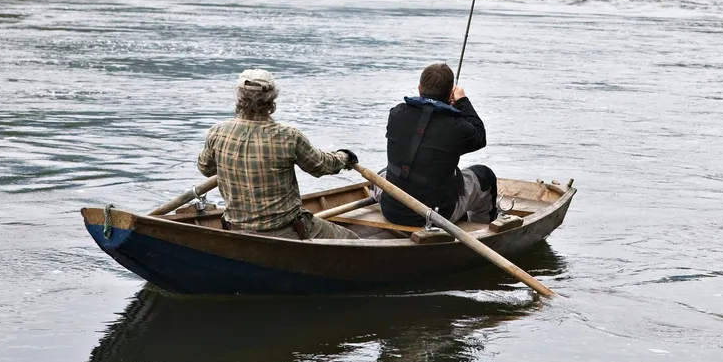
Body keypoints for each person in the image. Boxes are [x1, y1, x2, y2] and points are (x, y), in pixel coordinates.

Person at [197, 69, 360, 240]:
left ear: (239, 97)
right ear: (272, 99)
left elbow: (205, 169)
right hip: (284, 229)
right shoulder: (288, 136)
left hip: (235, 226)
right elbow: (321, 166)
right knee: (353, 240)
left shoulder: (217, 133)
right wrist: (344, 157)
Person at [371, 63, 499, 227]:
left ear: (419, 88)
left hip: (391, 210)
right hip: (438, 215)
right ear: (450, 93)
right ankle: (480, 228)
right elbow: (480, 136)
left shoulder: (396, 113)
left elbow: (424, 126)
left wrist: (444, 107)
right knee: (485, 176)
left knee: (382, 175)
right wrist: (462, 102)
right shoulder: (456, 126)